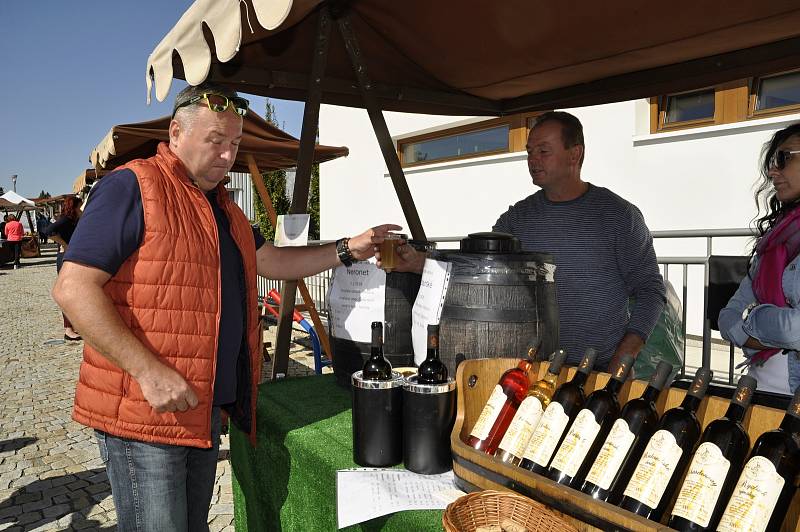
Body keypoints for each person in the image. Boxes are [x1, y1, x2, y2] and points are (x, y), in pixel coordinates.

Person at [51, 81, 400, 531]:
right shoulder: (132, 186)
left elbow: (272, 260)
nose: (227, 156)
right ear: (175, 133)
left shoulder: (224, 208)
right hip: (146, 414)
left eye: (234, 144)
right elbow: (74, 289)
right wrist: (148, 371)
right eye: (215, 140)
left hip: (202, 409)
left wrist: (352, 247)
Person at [389, 112, 665, 371]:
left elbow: (651, 291)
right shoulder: (516, 220)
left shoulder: (618, 216)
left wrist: (623, 357)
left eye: (543, 151)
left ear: (575, 154)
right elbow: (481, 271)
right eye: (530, 152)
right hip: (532, 372)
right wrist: (419, 263)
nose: (533, 160)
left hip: (598, 371)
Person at [719, 123, 800, 395]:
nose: (772, 171)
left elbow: (796, 330)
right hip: (757, 391)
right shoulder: (775, 239)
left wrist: (751, 317)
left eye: (783, 158)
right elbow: (727, 316)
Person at [45, 196, 82, 340]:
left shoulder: (74, 219)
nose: (80, 209)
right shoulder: (65, 219)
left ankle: (73, 326)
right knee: (67, 292)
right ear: (73, 207)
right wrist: (65, 245)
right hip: (64, 258)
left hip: (71, 257)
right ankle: (68, 329)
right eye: (79, 207)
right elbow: (48, 231)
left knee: (74, 292)